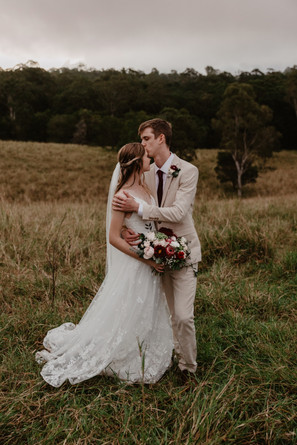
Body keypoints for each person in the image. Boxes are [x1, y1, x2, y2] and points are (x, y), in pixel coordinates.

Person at [35, 142, 173, 387]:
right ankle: (122, 355)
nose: (149, 158)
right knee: (127, 309)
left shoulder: (145, 188)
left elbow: (149, 222)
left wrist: (158, 245)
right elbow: (112, 237)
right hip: (136, 263)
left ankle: (144, 349)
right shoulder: (122, 196)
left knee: (147, 308)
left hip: (150, 256)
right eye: (145, 157)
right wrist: (144, 257)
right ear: (135, 163)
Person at [112, 119, 201, 377]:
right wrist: (130, 228)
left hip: (183, 251)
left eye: (146, 139)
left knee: (183, 316)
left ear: (161, 138)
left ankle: (189, 369)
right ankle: (168, 356)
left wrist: (137, 209)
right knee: (163, 313)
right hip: (152, 254)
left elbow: (178, 212)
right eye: (141, 140)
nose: (142, 145)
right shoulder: (144, 170)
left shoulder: (187, 171)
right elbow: (128, 200)